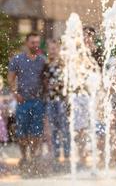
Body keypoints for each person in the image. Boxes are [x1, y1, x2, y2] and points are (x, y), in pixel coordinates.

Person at [7, 32, 46, 170]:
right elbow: (10, 78)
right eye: (33, 43)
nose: (35, 45)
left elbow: (47, 79)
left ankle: (34, 157)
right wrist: (15, 93)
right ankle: (24, 157)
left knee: (36, 132)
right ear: (26, 43)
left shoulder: (42, 60)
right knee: (22, 132)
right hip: (23, 101)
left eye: (37, 42)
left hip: (38, 101)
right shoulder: (17, 59)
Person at [43, 39, 70, 167]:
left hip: (62, 100)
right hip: (50, 100)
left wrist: (58, 84)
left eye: (54, 48)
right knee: (53, 129)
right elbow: (44, 81)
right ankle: (56, 154)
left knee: (64, 128)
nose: (52, 50)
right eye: (50, 48)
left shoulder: (63, 64)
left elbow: (67, 81)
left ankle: (67, 155)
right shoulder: (47, 64)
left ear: (58, 49)